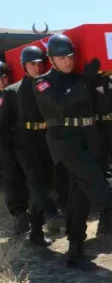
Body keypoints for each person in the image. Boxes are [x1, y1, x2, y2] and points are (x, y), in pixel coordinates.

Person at [33, 34, 112, 270]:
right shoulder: (41, 82)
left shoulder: (82, 77)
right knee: (94, 180)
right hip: (65, 142)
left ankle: (75, 251)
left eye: (70, 56)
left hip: (90, 138)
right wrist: (86, 81)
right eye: (62, 57)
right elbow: (60, 103)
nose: (68, 61)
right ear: (51, 59)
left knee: (83, 196)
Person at [4, 45, 66, 246]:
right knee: (35, 181)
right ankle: (52, 212)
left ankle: (37, 233)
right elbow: (4, 124)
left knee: (46, 183)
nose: (38, 67)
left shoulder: (48, 86)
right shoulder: (12, 92)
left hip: (47, 138)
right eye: (33, 64)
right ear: (24, 66)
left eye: (40, 63)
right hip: (25, 141)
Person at [89, 68, 112, 238]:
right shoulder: (91, 80)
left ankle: (109, 221)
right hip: (98, 129)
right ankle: (105, 222)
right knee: (105, 175)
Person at [0, 61, 31, 235]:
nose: (3, 80)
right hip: (3, 143)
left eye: (5, 76)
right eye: (0, 77)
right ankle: (20, 213)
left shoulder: (14, 93)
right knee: (11, 176)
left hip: (20, 140)